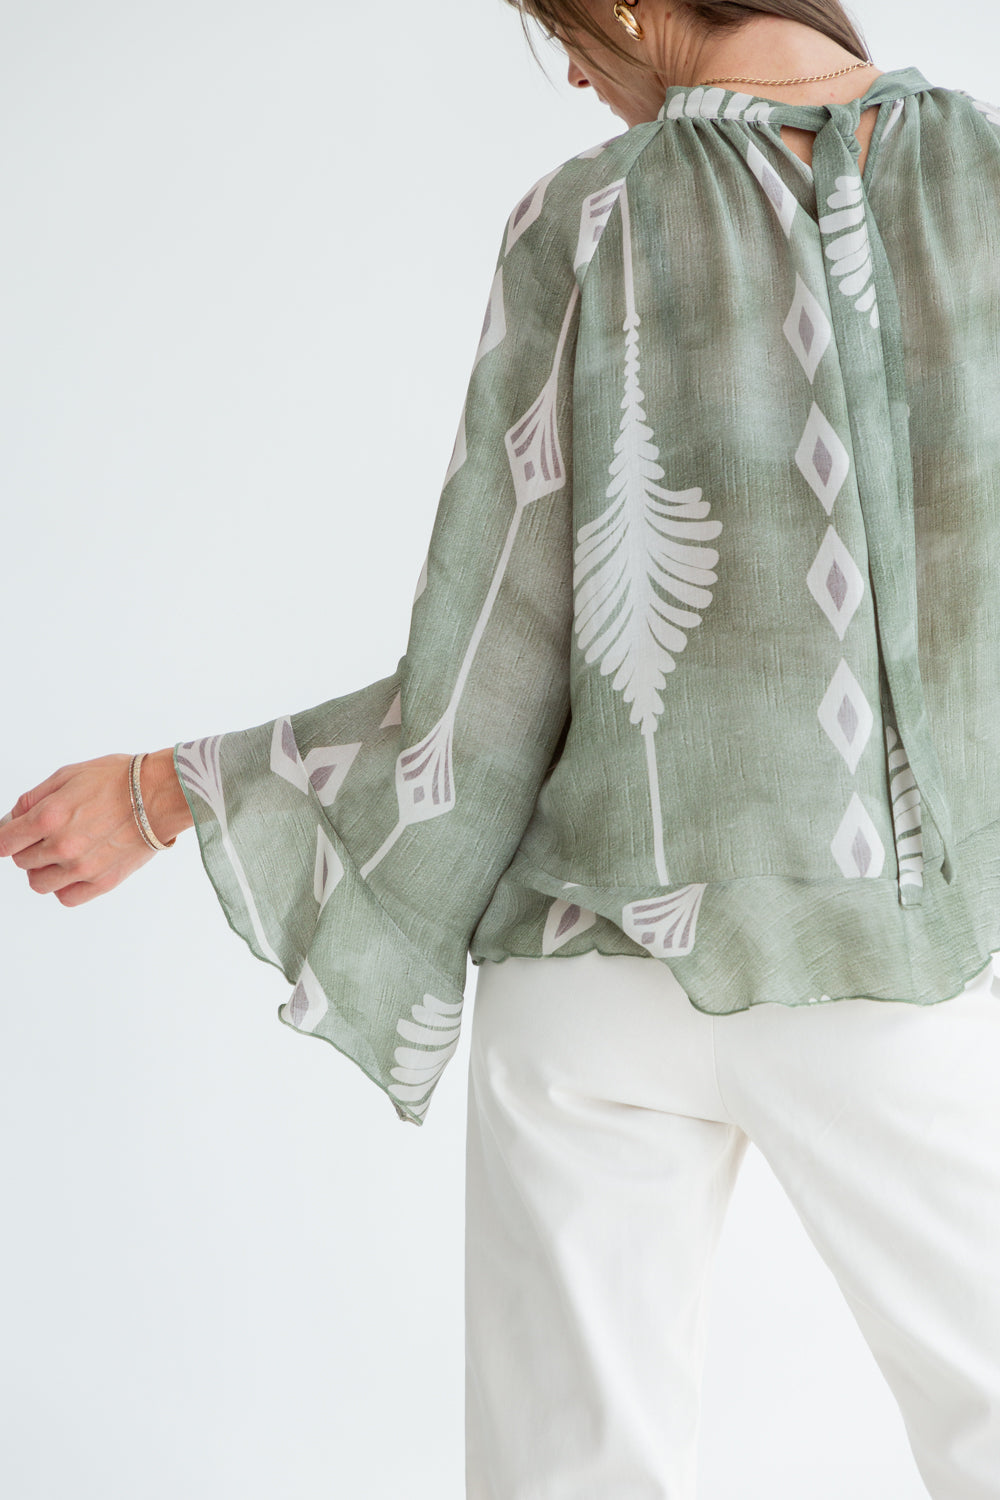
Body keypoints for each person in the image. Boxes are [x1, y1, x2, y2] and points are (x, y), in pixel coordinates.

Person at [3, 0, 1000, 1493]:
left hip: (584, 983)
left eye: (570, 39)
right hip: (874, 955)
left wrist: (170, 793)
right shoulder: (984, 183)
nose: (585, 83)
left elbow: (482, 679)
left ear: (634, 6)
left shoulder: (585, 222)